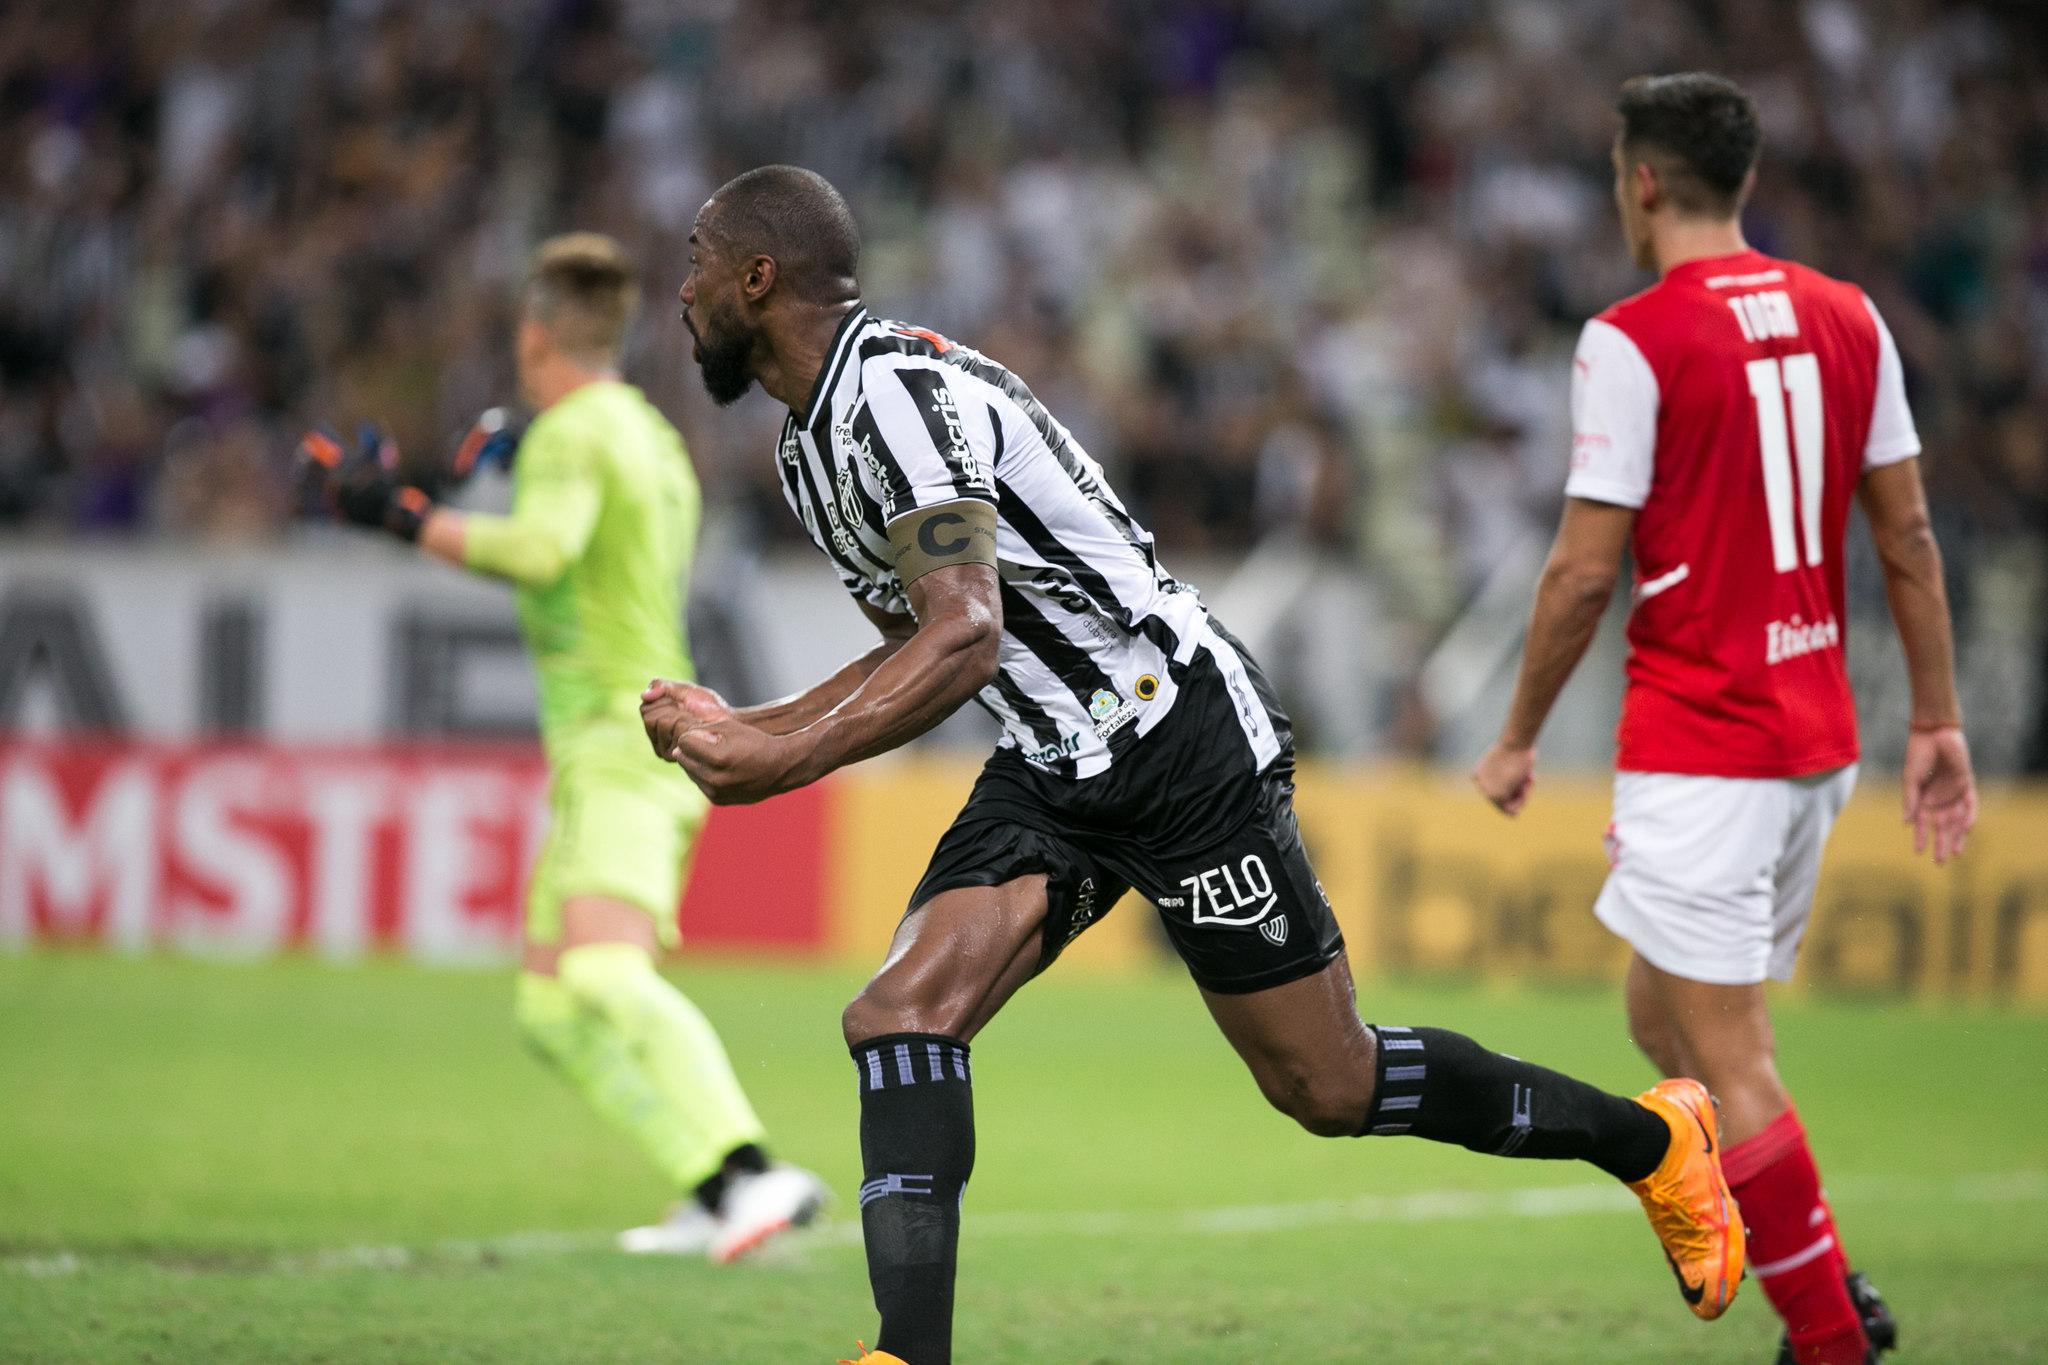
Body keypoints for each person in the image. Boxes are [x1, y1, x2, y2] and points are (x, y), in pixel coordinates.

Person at [641, 165, 1744, 1365]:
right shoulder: (811, 444)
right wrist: (756, 724)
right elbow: (920, 631)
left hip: (1174, 738)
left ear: (759, 277)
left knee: (1327, 1087)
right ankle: (906, 1354)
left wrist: (784, 761)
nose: (682, 286)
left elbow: (966, 633)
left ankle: (1652, 1146)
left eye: (698, 257)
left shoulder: (895, 401)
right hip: (1055, 760)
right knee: (900, 1011)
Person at [1473, 74, 1979, 1365]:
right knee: (1664, 1019)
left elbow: (1585, 571)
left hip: (1706, 743)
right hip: (1817, 741)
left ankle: (1826, 1338)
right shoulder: (1850, 315)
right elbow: (1907, 530)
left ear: (1641, 180)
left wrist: (1520, 731)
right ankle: (1831, 1280)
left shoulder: (1632, 337)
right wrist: (1937, 716)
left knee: (1728, 1050)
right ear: (1738, 179)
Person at [316, 232, 825, 1262]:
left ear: (533, 333)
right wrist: (527, 453)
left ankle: (753, 1172)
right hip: (627, 742)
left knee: (601, 978)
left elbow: (543, 549)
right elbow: (596, 536)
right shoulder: (640, 433)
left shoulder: (574, 438)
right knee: (552, 1009)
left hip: (619, 739)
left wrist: (399, 512)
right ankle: (710, 1185)